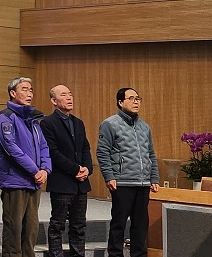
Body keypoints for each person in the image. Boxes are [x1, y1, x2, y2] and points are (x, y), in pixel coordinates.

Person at [96, 88, 159, 257]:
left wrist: (154, 177)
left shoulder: (144, 127)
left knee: (141, 224)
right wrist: (109, 176)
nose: (136, 101)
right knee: (119, 223)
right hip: (122, 181)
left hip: (143, 183)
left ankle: (139, 254)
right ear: (120, 102)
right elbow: (102, 152)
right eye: (131, 98)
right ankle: (115, 254)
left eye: (138, 98)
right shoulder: (110, 124)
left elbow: (150, 153)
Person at [0, 77, 50, 257]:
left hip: (34, 182)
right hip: (15, 181)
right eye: (24, 89)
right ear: (13, 93)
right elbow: (11, 149)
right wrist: (35, 170)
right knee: (14, 229)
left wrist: (45, 169)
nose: (29, 93)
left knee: (31, 229)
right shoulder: (5, 117)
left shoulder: (33, 120)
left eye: (31, 90)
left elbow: (44, 146)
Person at [41, 85, 92, 257]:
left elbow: (85, 148)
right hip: (62, 181)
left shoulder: (78, 122)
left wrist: (87, 169)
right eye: (64, 95)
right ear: (54, 101)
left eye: (70, 94)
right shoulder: (48, 123)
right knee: (58, 224)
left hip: (81, 183)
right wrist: (75, 169)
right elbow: (52, 152)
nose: (69, 97)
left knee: (79, 225)